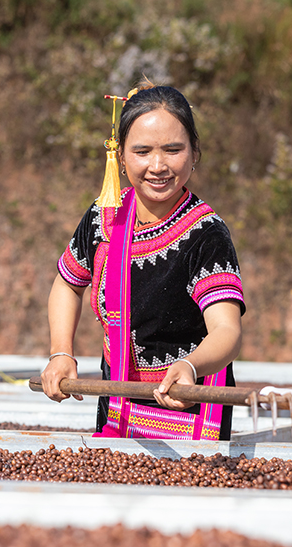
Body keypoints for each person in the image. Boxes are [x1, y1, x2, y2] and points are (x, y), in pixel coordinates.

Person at [41, 83, 245, 439]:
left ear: (194, 152)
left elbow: (227, 331)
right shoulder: (103, 217)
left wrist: (190, 367)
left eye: (173, 150)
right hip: (117, 404)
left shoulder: (207, 234)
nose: (158, 165)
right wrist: (61, 352)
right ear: (120, 156)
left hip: (190, 406)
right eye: (142, 151)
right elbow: (67, 284)